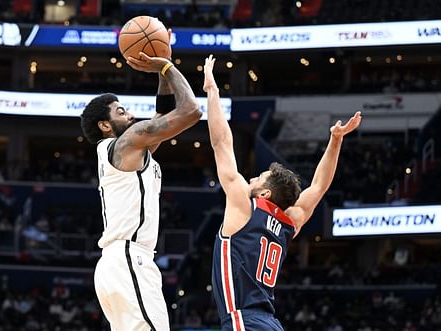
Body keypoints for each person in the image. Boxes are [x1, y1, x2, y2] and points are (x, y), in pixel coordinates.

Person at [202, 54, 362, 330]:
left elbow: (221, 143)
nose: (251, 177)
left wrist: (212, 91)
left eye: (258, 177)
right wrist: (336, 141)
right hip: (270, 323)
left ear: (264, 194)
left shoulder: (243, 206)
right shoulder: (290, 222)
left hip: (244, 321)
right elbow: (319, 187)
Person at [80, 39, 201, 330]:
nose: (131, 115)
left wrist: (162, 68)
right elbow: (191, 111)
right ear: (105, 125)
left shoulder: (125, 150)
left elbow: (161, 116)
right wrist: (168, 66)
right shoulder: (128, 141)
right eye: (121, 112)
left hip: (118, 263)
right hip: (128, 259)